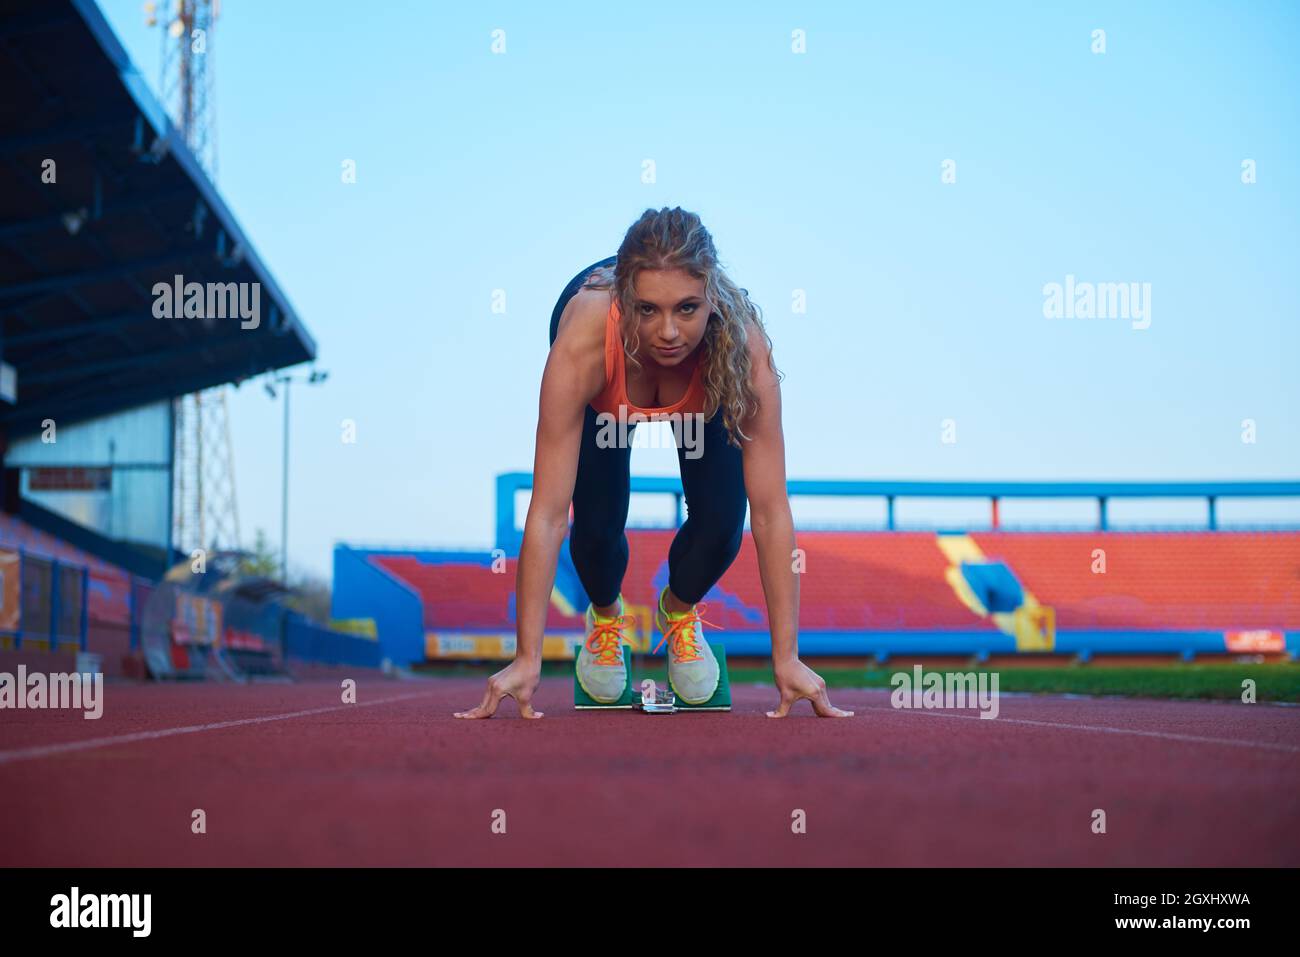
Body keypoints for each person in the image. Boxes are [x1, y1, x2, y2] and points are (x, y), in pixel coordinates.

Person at [455, 207, 852, 720]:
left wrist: (787, 657)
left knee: (721, 525)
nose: (668, 332)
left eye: (687, 308)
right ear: (624, 300)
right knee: (596, 524)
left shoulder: (741, 351)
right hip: (610, 378)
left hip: (704, 386)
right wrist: (527, 658)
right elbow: (550, 512)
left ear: (712, 297)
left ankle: (679, 613)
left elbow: (771, 510)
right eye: (648, 310)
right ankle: (604, 619)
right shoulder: (582, 344)